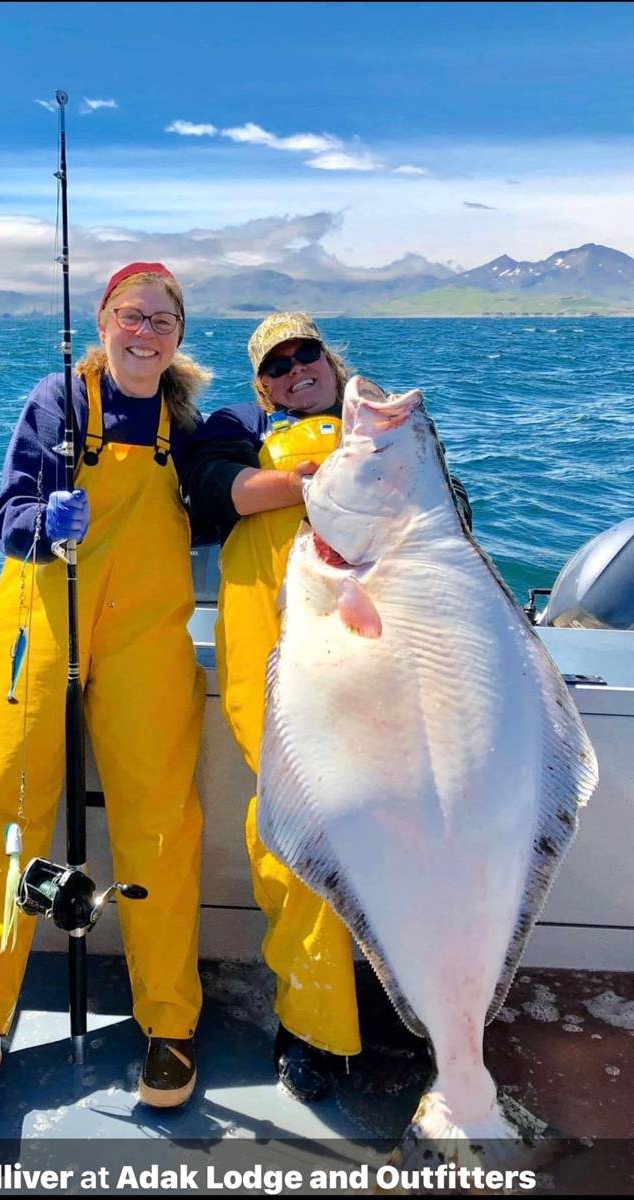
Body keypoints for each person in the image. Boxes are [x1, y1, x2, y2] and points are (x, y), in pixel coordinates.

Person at [0, 263, 210, 1109]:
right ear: (104, 324)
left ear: (178, 337)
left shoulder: (189, 422)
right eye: (130, 316)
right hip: (39, 623)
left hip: (145, 642)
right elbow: (7, 514)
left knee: (159, 822)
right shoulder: (58, 400)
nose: (144, 332)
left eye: (161, 320)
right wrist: (44, 523)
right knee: (3, 814)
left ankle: (168, 1026)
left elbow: (228, 492)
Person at [182, 312, 472, 1102]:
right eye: (274, 365)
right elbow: (217, 491)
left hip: (385, 647)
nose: (292, 370)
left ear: (330, 360)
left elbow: (453, 523)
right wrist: (327, 484)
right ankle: (310, 1025)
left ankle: (405, 1014)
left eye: (305, 353)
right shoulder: (233, 428)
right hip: (279, 652)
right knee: (296, 832)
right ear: (258, 385)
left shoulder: (387, 426)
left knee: (405, 826)